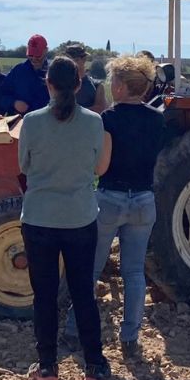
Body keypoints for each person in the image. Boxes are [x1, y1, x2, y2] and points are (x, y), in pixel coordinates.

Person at [18, 57, 112, 380]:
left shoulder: (31, 122)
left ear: (48, 84)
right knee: (82, 292)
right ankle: (94, 366)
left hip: (39, 218)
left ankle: (47, 367)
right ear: (78, 85)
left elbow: (25, 166)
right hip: (80, 218)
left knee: (43, 295)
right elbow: (96, 166)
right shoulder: (94, 122)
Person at [62, 54, 164, 359]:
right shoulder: (159, 119)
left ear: (120, 86)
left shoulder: (107, 119)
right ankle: (130, 338)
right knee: (134, 273)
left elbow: (101, 168)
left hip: (110, 200)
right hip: (144, 201)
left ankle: (73, 330)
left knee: (89, 270)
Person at [0, 34, 50, 114]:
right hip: (19, 121)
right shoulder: (18, 71)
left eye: (37, 55)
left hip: (44, 122)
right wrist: (14, 103)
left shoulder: (53, 73)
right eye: (30, 55)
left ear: (46, 51)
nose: (33, 58)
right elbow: (2, 95)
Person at [64, 44, 108, 114]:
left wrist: (72, 113)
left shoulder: (96, 86)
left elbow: (100, 108)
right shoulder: (60, 83)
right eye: (68, 61)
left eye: (75, 60)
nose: (71, 64)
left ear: (84, 59)